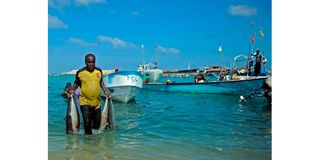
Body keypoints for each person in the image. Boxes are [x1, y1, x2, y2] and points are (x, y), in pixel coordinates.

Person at [68, 54, 111, 135]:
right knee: (87, 123)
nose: (91, 64)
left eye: (93, 62)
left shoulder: (99, 71)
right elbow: (76, 82)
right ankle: (87, 143)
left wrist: (105, 91)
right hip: (84, 102)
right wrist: (72, 90)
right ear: (85, 62)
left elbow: (101, 82)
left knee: (97, 124)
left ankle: (95, 144)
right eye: (89, 62)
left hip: (97, 103)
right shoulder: (80, 72)